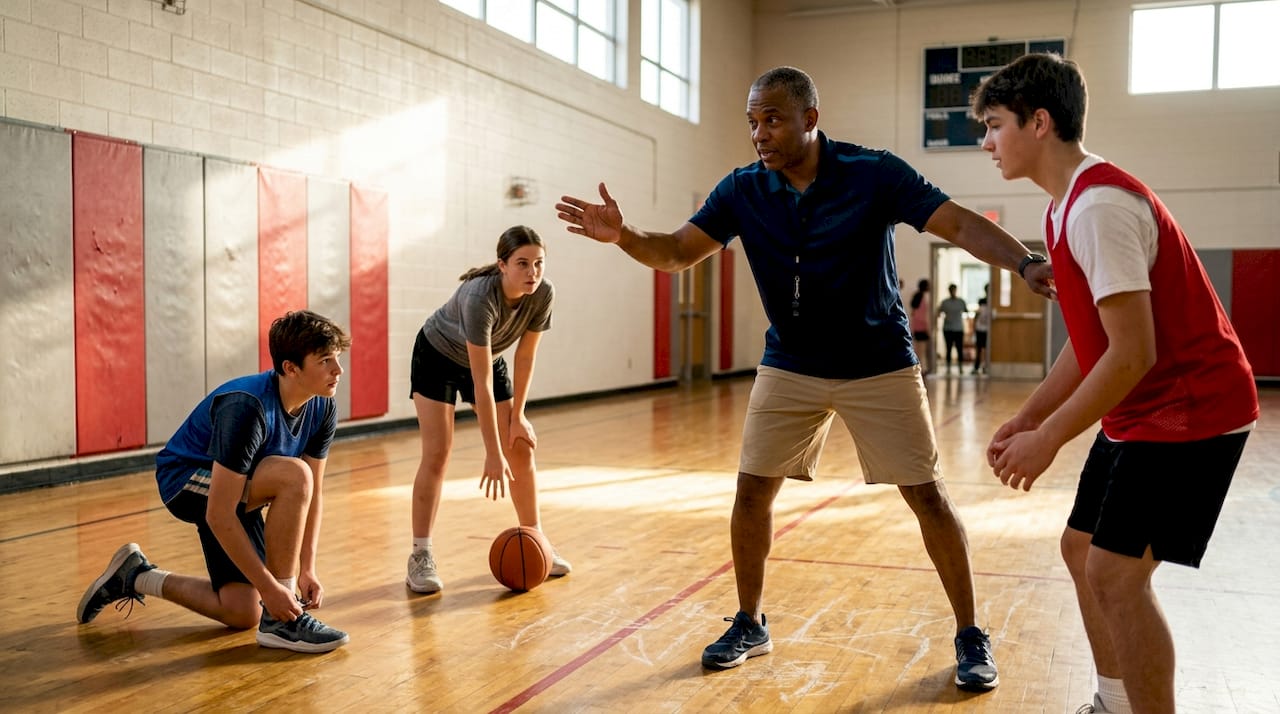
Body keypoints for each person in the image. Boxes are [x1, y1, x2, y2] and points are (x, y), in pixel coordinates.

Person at [556, 66, 1054, 690]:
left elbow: (955, 223)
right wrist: (624, 236)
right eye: (752, 122)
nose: (759, 134)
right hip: (791, 361)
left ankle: (970, 632)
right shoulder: (742, 190)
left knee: (927, 496)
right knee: (751, 493)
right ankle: (749, 621)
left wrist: (1024, 261)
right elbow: (678, 252)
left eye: (772, 119)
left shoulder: (874, 173)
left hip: (878, 361)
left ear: (809, 119)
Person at [974, 53, 1258, 714]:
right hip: (1146, 411)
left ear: (1038, 122)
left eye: (994, 125)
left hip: (1195, 412)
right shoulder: (1060, 211)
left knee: (1117, 575)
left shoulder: (1098, 206)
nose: (986, 142)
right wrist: (1030, 417)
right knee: (1082, 551)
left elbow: (1131, 355)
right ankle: (1114, 701)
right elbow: (1092, 340)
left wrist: (1048, 440)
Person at [77, 310, 354, 654]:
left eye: (337, 359)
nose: (338, 371)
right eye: (326, 361)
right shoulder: (246, 408)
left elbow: (314, 494)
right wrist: (273, 587)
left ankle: (134, 576)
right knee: (294, 475)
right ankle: (281, 624)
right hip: (186, 480)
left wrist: (307, 569)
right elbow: (220, 513)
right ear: (290, 368)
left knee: (241, 610)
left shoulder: (322, 407)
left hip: (240, 486)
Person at [406, 225, 570, 594]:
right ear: (502, 265)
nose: (533, 273)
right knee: (437, 453)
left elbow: (525, 356)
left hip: (488, 356)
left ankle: (536, 539)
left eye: (539, 264)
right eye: (523, 264)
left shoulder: (543, 293)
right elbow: (479, 383)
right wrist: (492, 453)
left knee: (521, 445)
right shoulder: (479, 297)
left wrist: (520, 416)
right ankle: (420, 555)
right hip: (438, 356)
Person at [937, 283, 968, 373]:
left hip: (958, 328)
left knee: (959, 348)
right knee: (949, 348)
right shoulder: (945, 302)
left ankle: (960, 367)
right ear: (949, 291)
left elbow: (966, 310)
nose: (953, 292)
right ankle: (948, 367)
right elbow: (939, 312)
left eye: (954, 290)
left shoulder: (961, 301)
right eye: (951, 290)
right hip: (948, 328)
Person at [909, 279, 933, 375]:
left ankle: (920, 369)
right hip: (922, 328)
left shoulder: (917, 296)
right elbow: (922, 316)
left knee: (918, 350)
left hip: (916, 328)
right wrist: (927, 328)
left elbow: (915, 314)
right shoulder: (923, 298)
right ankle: (922, 370)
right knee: (922, 351)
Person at [972, 297, 991, 375]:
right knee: (980, 350)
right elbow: (975, 319)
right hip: (980, 330)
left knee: (983, 350)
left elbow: (975, 319)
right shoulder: (981, 309)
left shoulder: (988, 308)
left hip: (985, 331)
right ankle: (978, 367)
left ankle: (984, 367)